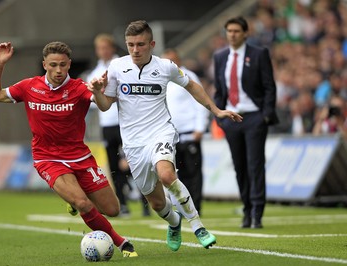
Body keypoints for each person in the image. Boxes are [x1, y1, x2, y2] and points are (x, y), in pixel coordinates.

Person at [88, 20, 242, 251]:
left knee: (167, 175)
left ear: (152, 44)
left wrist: (216, 110)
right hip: (133, 144)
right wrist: (98, 93)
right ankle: (174, 222)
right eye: (130, 45)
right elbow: (104, 105)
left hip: (161, 132)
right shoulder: (117, 67)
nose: (135, 50)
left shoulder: (166, 66)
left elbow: (192, 85)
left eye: (140, 44)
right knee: (157, 203)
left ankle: (198, 226)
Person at [0, 41, 137, 257]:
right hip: (47, 158)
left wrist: (97, 91)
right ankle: (122, 243)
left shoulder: (79, 88)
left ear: (69, 65)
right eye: (54, 65)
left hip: (80, 157)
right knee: (82, 202)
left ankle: (72, 199)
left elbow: (104, 106)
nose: (58, 70)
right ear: (45, 64)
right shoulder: (29, 86)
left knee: (112, 209)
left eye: (63, 65)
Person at [213, 16, 279, 229]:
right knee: (239, 167)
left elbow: (269, 86)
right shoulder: (220, 57)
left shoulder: (259, 54)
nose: (232, 34)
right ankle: (246, 209)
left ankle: (257, 212)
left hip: (254, 117)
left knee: (255, 165)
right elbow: (219, 91)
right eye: (229, 31)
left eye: (236, 31)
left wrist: (265, 115)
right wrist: (219, 116)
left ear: (245, 33)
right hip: (231, 119)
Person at [86, 33, 131, 216]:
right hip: (107, 125)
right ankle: (124, 204)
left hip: (126, 122)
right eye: (100, 48)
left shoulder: (123, 66)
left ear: (112, 48)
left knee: (135, 163)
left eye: (106, 47)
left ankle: (147, 203)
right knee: (113, 166)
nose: (103, 51)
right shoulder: (94, 73)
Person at [162, 48, 210, 215]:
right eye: (167, 61)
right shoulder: (161, 79)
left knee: (193, 171)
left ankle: (196, 206)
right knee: (176, 173)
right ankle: (182, 207)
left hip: (189, 131)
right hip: (170, 134)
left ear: (179, 60)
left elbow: (199, 101)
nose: (171, 64)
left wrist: (200, 127)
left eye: (173, 60)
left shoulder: (188, 76)